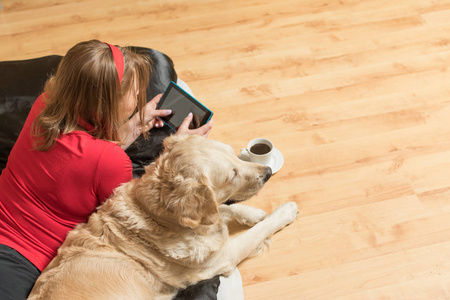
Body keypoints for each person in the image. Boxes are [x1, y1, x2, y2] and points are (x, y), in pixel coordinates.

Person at [0, 39, 213, 299]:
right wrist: (178, 150)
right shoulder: (110, 161)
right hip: (22, 262)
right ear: (106, 104)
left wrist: (134, 126)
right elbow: (132, 221)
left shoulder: (44, 104)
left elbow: (80, 158)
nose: (138, 98)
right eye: (134, 94)